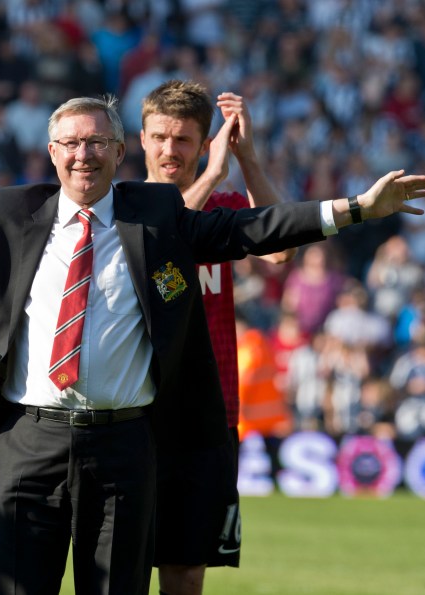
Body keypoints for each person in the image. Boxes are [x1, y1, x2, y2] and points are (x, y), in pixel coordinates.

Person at [0, 95, 425, 595]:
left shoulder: (158, 215)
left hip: (124, 446)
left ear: (117, 152)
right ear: (52, 152)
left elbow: (258, 229)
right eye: (70, 142)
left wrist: (350, 210)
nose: (83, 154)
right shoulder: (13, 211)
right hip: (29, 442)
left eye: (96, 142)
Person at [139, 80, 296, 595]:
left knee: (186, 572)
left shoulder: (225, 204)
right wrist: (210, 174)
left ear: (205, 142)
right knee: (121, 565)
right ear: (140, 139)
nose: (169, 150)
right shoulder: (120, 205)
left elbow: (280, 252)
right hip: (133, 412)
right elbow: (156, 246)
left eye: (184, 139)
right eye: (160, 136)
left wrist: (248, 157)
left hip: (210, 413)